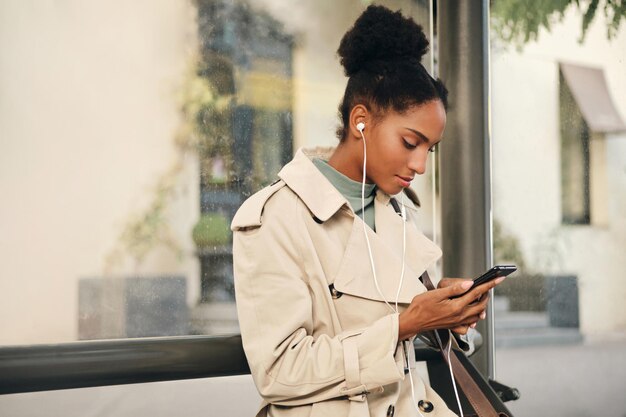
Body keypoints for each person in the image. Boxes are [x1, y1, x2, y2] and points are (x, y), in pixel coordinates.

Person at [231, 5, 504, 417]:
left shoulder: (396, 209)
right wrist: (406, 323)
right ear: (361, 121)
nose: (421, 165)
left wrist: (439, 311)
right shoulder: (274, 217)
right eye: (410, 143)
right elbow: (279, 370)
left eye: (430, 149)